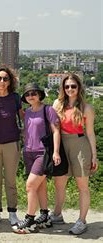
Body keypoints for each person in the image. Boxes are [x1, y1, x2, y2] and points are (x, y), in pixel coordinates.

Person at [51, 73, 98, 235]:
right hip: (61, 144)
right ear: (63, 88)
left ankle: (81, 220)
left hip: (80, 145)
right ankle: (56, 214)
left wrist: (94, 155)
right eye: (67, 86)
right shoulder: (57, 104)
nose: (70, 89)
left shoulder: (87, 108)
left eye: (73, 86)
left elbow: (90, 133)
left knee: (82, 186)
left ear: (79, 87)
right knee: (59, 183)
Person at [12, 83, 61, 234]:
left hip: (43, 153)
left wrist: (56, 152)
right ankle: (44, 215)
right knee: (40, 185)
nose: (30, 96)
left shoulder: (48, 110)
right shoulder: (27, 112)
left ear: (40, 94)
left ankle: (29, 220)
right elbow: (28, 131)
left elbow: (56, 131)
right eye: (27, 94)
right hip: (28, 152)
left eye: (34, 93)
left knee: (30, 185)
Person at [0, 65, 21, 226]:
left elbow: (25, 117)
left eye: (5, 78)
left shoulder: (15, 98)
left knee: (11, 180)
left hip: (11, 143)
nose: (2, 81)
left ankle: (12, 212)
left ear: (10, 81)